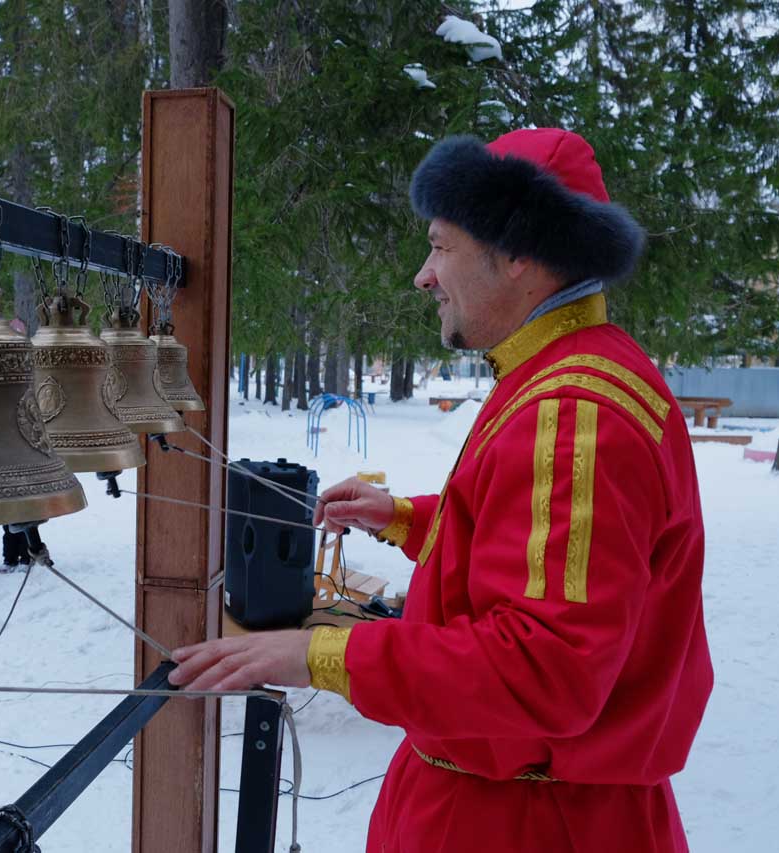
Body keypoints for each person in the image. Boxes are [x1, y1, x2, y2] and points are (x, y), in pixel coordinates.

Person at [169, 129, 713, 853]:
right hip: (504, 802)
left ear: (519, 253)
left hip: (524, 823)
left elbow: (544, 671)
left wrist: (317, 654)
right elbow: (532, 546)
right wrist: (403, 517)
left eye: (440, 245)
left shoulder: (575, 410)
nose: (424, 275)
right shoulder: (559, 374)